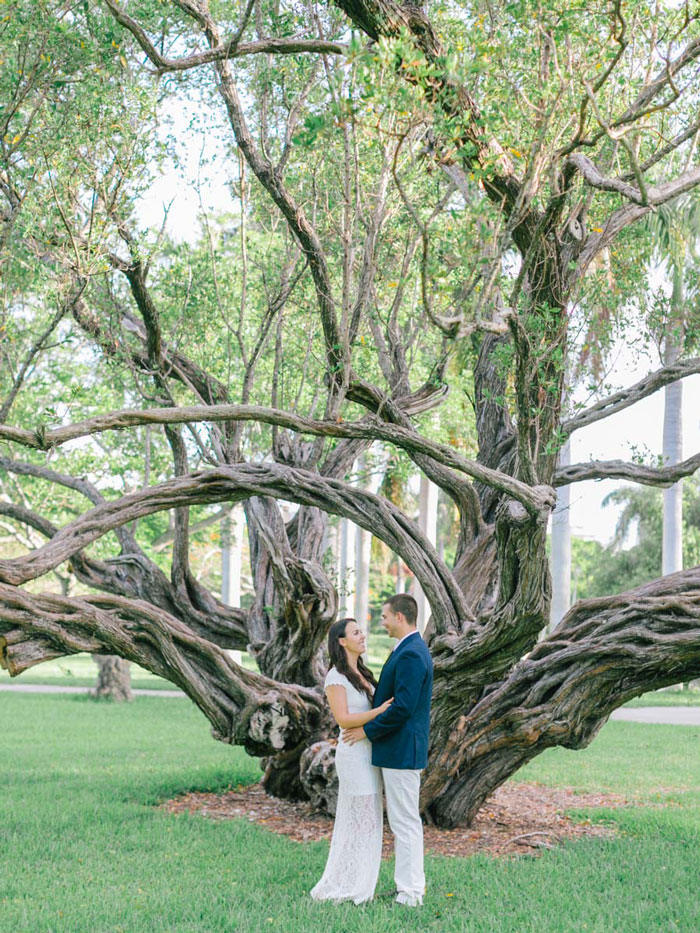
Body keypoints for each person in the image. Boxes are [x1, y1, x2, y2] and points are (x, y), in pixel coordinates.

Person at [343, 594, 433, 907]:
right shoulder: (408, 649)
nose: (381, 622)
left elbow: (403, 707)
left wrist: (367, 731)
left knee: (405, 822)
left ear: (399, 617)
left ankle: (410, 893)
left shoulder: (410, 653)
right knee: (403, 821)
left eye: (384, 616)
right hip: (398, 750)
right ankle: (407, 888)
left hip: (402, 750)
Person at [310, 617, 394, 905]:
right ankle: (348, 883)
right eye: (356, 632)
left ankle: (362, 882)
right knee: (360, 819)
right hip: (354, 756)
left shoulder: (362, 673)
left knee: (370, 819)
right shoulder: (336, 677)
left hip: (370, 752)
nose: (363, 635)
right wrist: (379, 712)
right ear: (342, 641)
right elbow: (343, 719)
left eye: (362, 631)